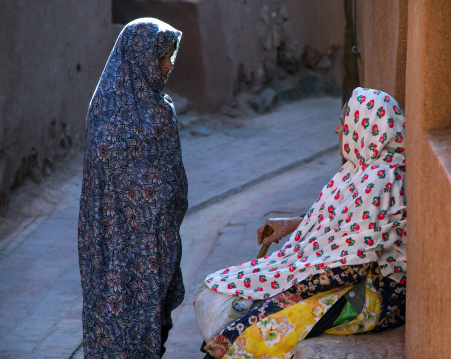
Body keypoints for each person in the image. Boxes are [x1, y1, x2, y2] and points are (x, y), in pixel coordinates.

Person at [195, 87, 406, 359]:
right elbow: (345, 228)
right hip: (344, 279)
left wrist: (291, 283)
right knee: (250, 302)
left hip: (372, 295)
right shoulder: (360, 170)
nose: (336, 129)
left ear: (365, 127)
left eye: (344, 121)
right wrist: (295, 226)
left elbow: (354, 268)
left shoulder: (379, 181)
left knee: (256, 331)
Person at [77, 18, 188, 358]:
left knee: (152, 321)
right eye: (162, 58)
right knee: (114, 319)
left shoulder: (159, 108)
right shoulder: (106, 113)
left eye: (171, 56)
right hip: (113, 246)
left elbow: (169, 178)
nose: (169, 65)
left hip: (155, 243)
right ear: (140, 57)